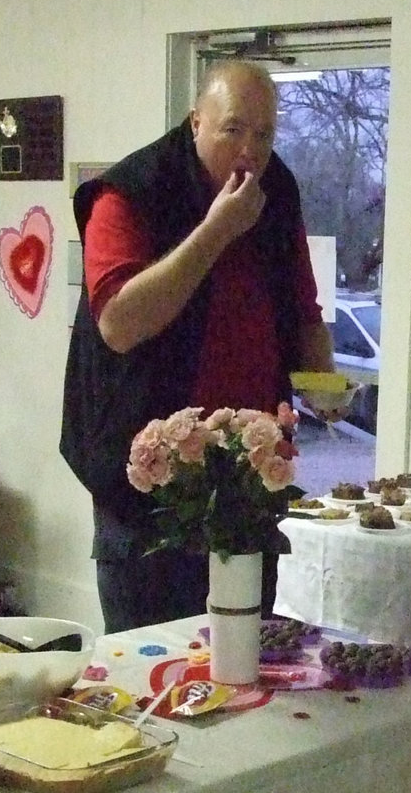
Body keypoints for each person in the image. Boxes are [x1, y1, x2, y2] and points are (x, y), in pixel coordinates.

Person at [60, 60, 335, 634]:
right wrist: (216, 230)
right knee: (153, 662)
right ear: (195, 122)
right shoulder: (129, 192)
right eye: (232, 129)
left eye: (263, 134)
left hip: (247, 478)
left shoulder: (276, 188)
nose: (249, 150)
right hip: (148, 484)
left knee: (243, 658)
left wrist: (325, 382)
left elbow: (303, 311)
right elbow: (119, 323)